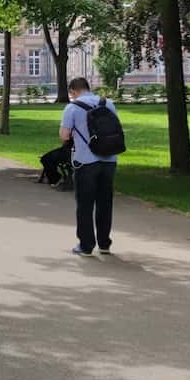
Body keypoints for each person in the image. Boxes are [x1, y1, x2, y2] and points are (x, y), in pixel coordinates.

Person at [59, 77, 118, 256]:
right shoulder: (108, 103)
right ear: (88, 88)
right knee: (105, 203)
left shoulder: (72, 107)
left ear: (73, 91)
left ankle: (86, 245)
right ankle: (104, 243)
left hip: (85, 161)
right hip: (109, 159)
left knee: (85, 204)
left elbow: (64, 135)